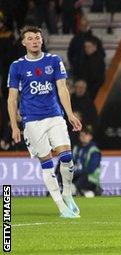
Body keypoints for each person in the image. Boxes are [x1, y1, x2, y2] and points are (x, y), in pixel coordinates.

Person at [7, 26, 82, 218]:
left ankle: (67, 193)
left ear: (42, 40)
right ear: (23, 42)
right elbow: (12, 98)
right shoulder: (17, 66)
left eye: (37, 38)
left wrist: (70, 114)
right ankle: (61, 207)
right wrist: (15, 126)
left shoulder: (53, 60)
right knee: (47, 163)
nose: (34, 41)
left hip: (55, 116)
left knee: (66, 157)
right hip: (32, 121)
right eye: (30, 38)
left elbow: (62, 89)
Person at [71, 124, 102, 197]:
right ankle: (84, 192)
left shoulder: (94, 151)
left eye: (86, 134)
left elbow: (90, 169)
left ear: (90, 137)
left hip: (90, 179)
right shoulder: (76, 149)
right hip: (76, 176)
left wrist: (76, 172)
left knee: (81, 180)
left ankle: (91, 191)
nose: (83, 135)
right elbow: (71, 163)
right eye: (82, 133)